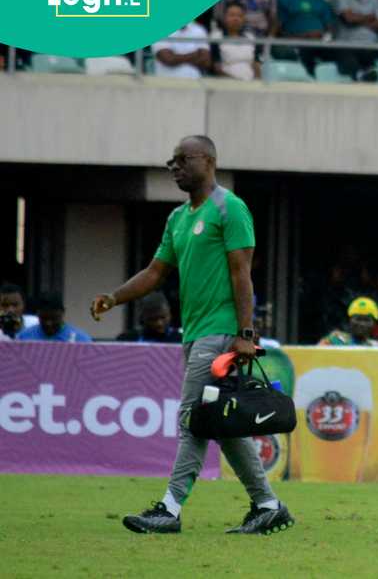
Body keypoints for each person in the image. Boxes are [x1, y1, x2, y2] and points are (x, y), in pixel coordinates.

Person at [90, 134, 294, 535]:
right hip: (194, 333)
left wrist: (245, 333)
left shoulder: (229, 208)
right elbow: (154, 272)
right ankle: (268, 504)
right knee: (220, 424)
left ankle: (169, 508)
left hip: (219, 334)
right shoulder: (177, 218)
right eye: (171, 161)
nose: (174, 167)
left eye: (183, 159)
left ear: (209, 160)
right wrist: (114, 298)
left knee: (191, 419)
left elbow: (242, 273)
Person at [277, 0, 337, 74]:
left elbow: (329, 28)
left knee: (341, 52)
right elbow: (279, 30)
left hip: (320, 43)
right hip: (296, 43)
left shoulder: (319, 0)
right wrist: (304, 36)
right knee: (307, 51)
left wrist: (323, 36)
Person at [213, 0, 279, 37]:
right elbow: (218, 17)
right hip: (235, 36)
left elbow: (274, 17)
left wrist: (270, 37)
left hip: (262, 36)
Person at [212, 2, 261, 81]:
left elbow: (256, 64)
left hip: (251, 83)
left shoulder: (251, 37)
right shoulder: (216, 37)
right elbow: (216, 67)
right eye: (232, 15)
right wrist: (236, 83)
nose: (236, 19)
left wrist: (256, 82)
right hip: (226, 83)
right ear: (224, 17)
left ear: (244, 19)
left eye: (240, 16)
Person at [16, 293, 92, 343]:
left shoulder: (80, 339)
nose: (49, 323)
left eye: (54, 318)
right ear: (37, 314)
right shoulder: (24, 337)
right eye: (44, 318)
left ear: (63, 313)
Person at [116, 292, 182, 343]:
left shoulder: (181, 339)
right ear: (143, 318)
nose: (159, 323)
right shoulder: (127, 340)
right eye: (152, 319)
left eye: (163, 317)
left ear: (170, 314)